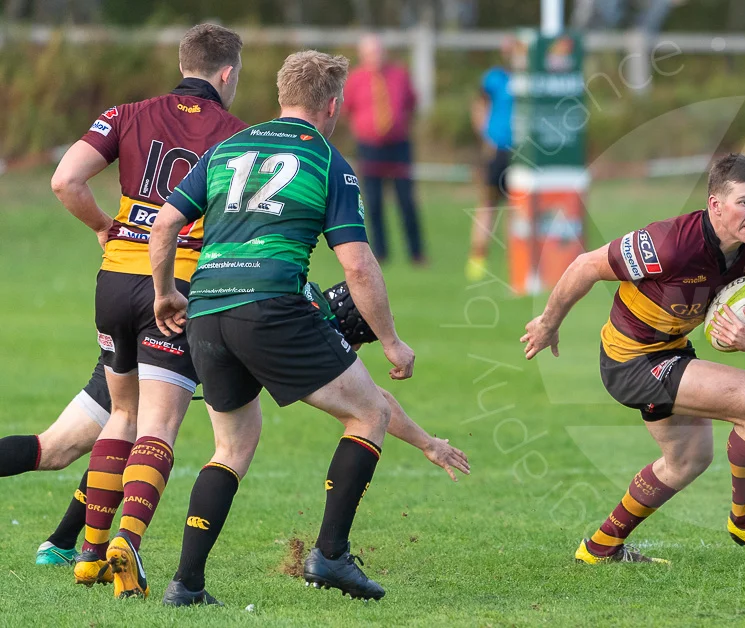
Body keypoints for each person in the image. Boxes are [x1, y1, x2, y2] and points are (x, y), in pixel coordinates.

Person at [149, 50, 416, 607]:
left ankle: (187, 584)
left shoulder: (229, 147)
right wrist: (390, 341)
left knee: (232, 445)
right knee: (370, 413)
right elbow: (358, 264)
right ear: (333, 106)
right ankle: (331, 555)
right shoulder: (325, 160)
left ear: (280, 96)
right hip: (270, 306)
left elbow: (168, 221)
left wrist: (165, 293)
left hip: (206, 310)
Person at [2, 283, 469, 570]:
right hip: (167, 352)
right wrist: (428, 443)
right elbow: (374, 400)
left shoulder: (299, 292)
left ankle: (62, 544)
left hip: (142, 332)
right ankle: (75, 544)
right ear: (350, 332)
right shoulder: (304, 327)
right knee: (129, 438)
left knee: (62, 448)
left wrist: (428, 442)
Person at [521, 153, 745, 564]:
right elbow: (585, 265)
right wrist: (548, 324)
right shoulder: (670, 244)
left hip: (672, 351)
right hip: (630, 361)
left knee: (687, 460)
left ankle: (601, 548)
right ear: (716, 204)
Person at [49, 23, 249, 598]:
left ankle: (88, 553)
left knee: (122, 415)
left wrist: (105, 226)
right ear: (227, 73)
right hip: (176, 288)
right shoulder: (236, 134)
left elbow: (66, 180)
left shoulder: (126, 113)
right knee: (158, 425)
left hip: (114, 279)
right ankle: (127, 544)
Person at [0, 366, 110, 566]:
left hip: (125, 351)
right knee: (131, 445)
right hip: (148, 356)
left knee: (54, 450)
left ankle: (61, 543)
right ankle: (62, 542)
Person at [343, 34, 424, 265]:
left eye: (378, 52)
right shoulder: (356, 79)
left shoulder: (399, 75)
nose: (375, 57)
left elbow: (411, 104)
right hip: (369, 147)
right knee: (374, 201)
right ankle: (380, 253)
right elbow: (347, 109)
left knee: (406, 200)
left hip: (398, 146)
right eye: (370, 53)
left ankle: (416, 253)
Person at [466, 38, 517, 282]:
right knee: (488, 203)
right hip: (497, 149)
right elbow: (479, 106)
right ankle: (478, 258)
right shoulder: (494, 78)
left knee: (517, 208)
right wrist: (485, 136)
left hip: (523, 151)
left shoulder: (532, 80)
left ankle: (515, 260)